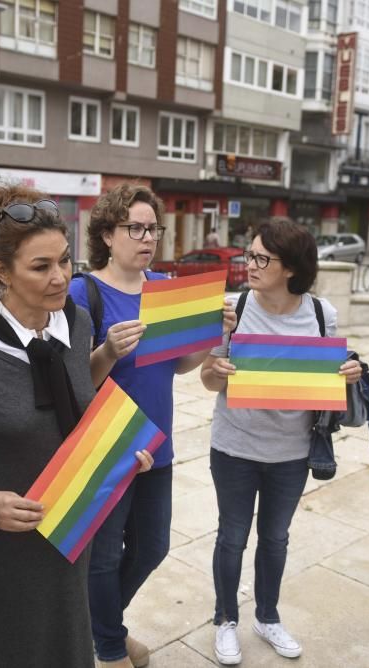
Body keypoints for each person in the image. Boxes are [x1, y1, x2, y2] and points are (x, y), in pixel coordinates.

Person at [0, 184, 154, 668]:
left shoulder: (76, 321)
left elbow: (72, 399)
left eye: (65, 261)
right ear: (1, 271)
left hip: (71, 534)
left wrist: (118, 452)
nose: (60, 278)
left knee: (70, 649)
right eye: (41, 266)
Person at [68, 183, 236, 668]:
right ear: (106, 233)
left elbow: (179, 365)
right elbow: (74, 380)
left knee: (152, 547)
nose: (147, 238)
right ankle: (112, 647)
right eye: (135, 228)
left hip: (155, 444)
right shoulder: (84, 292)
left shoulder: (165, 287)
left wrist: (212, 337)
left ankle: (99, 630)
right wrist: (108, 351)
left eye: (152, 229)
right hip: (106, 444)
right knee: (102, 557)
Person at [200, 218, 362, 665]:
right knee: (232, 537)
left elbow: (334, 371)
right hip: (234, 446)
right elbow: (208, 380)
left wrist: (350, 371)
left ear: (290, 268)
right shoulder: (234, 307)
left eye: (261, 258)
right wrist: (218, 372)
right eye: (248, 255)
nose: (249, 264)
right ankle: (225, 619)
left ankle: (267, 616)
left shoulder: (320, 313)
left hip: (292, 452)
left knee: (275, 537)